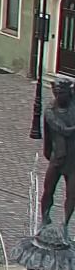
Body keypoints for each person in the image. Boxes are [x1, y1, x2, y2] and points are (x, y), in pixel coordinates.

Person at [42, 78, 75, 229]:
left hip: (73, 160)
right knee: (48, 190)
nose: (59, 96)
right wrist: (47, 151)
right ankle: (45, 219)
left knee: (72, 194)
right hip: (57, 157)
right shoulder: (50, 112)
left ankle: (65, 225)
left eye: (62, 93)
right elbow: (49, 134)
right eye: (56, 93)